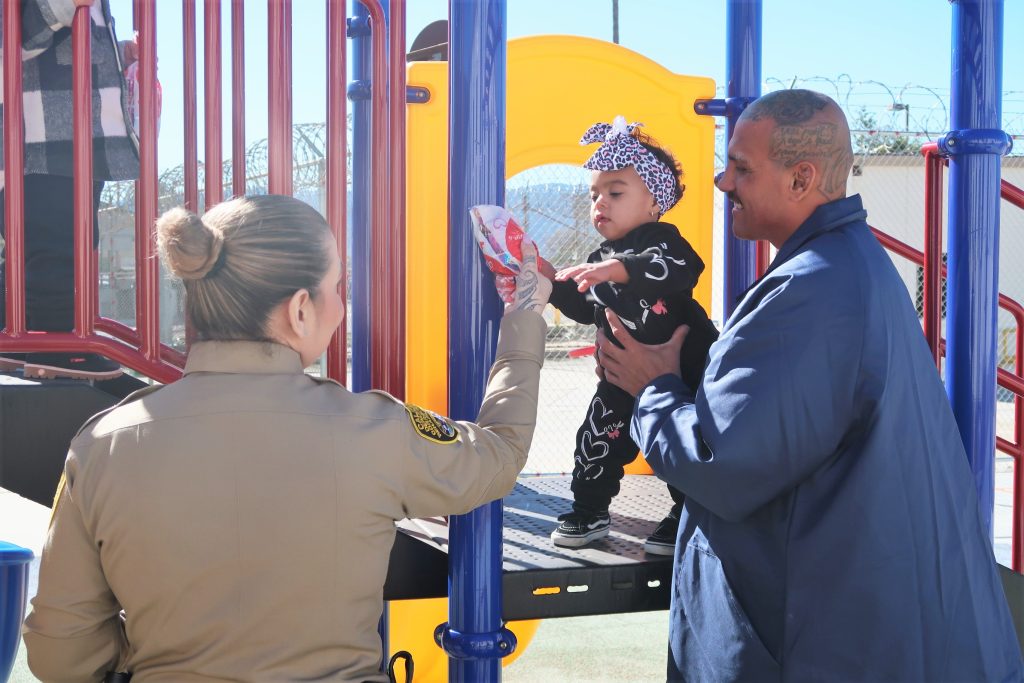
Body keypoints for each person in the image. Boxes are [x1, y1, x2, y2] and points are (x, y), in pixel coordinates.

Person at [22, 194, 551, 682]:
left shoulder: (104, 443)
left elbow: (57, 651)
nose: (340, 307)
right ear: (300, 309)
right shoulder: (373, 430)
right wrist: (524, 318)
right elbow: (498, 455)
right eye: (336, 288)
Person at [597, 88, 1024, 681]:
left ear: (800, 179)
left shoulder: (811, 291)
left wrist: (656, 388)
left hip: (826, 642)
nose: (725, 182)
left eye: (742, 168)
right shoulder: (850, 265)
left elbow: (721, 463)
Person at [539, 116, 718, 553]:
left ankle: (685, 512)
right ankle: (589, 510)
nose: (601, 202)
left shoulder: (665, 241)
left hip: (683, 378)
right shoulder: (601, 255)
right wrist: (548, 280)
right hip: (620, 379)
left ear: (654, 201)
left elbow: (680, 269)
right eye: (594, 194)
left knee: (681, 445)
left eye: (615, 193)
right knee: (596, 438)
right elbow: (585, 304)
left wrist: (616, 269)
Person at [0, 0, 139, 380]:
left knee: (61, 239)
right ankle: (58, 348)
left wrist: (118, 55)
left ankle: (32, 341)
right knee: (55, 240)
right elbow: (12, 39)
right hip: (37, 138)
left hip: (71, 132)